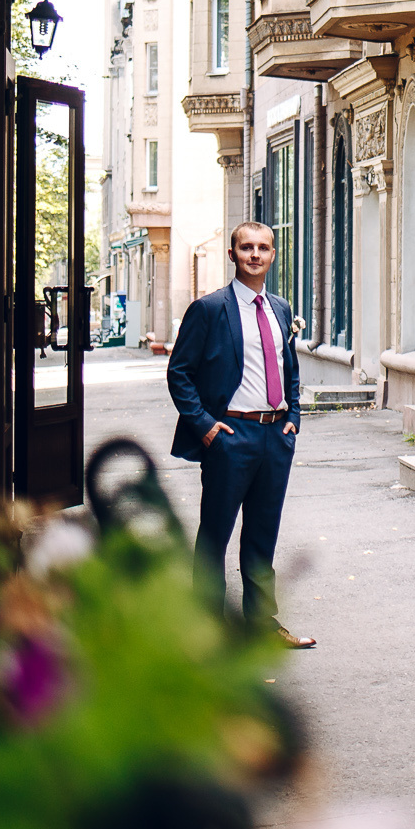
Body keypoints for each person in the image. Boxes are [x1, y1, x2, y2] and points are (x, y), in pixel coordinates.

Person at [167, 221, 315, 650]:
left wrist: (294, 418)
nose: (255, 254)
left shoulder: (281, 309)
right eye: (246, 247)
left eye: (263, 248)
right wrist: (207, 427)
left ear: (272, 255)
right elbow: (180, 373)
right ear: (232, 255)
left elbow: (290, 369)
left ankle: (260, 623)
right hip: (230, 435)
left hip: (274, 436)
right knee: (215, 534)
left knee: (262, 533)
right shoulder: (210, 309)